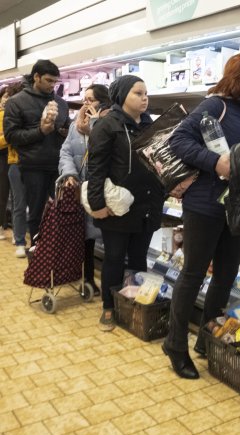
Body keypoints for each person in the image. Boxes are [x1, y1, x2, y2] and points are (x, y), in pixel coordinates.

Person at [163, 53, 240, 380]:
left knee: (225, 275)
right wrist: (215, 162)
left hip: (236, 207)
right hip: (206, 204)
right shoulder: (215, 106)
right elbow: (178, 140)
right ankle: (176, 345)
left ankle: (207, 337)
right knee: (194, 273)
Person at [86, 75, 164, 331]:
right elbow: (95, 170)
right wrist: (97, 204)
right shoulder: (108, 125)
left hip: (147, 204)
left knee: (139, 258)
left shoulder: (149, 125)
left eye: (146, 94)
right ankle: (109, 306)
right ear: (122, 96)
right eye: (138, 93)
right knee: (115, 257)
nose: (144, 98)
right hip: (119, 207)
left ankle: (135, 304)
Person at [2, 59, 70, 246]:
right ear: (36, 77)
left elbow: (66, 129)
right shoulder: (16, 102)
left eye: (55, 82)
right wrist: (41, 131)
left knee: (63, 211)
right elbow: (11, 136)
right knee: (36, 212)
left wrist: (66, 131)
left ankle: (57, 252)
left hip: (59, 166)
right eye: (48, 80)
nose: (52, 85)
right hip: (32, 166)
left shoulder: (61, 103)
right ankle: (36, 252)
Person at [58, 84, 112, 296]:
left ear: (103, 102)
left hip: (102, 190)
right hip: (80, 189)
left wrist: (97, 124)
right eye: (84, 99)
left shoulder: (109, 123)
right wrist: (70, 174)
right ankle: (88, 279)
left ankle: (111, 286)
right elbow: (66, 152)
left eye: (91, 100)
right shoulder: (75, 125)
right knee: (85, 237)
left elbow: (107, 152)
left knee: (109, 239)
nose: (85, 104)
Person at [4, 82, 27, 257]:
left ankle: (33, 240)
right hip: (16, 162)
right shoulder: (5, 115)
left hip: (37, 163)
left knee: (37, 205)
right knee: (19, 203)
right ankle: (19, 240)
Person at [0, 86, 10, 239]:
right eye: (6, 96)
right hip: (2, 156)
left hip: (13, 157)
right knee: (2, 192)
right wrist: (10, 137)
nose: (8, 99)